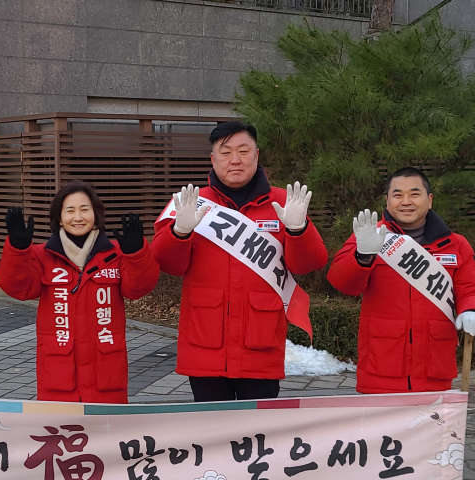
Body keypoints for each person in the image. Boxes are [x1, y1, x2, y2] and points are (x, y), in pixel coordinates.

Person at [151, 121, 328, 402]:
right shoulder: (190, 202)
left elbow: (309, 263)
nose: (235, 160)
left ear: (257, 155)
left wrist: (298, 230)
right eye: (226, 152)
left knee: (259, 436)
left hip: (261, 343)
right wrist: (179, 232)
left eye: (244, 151)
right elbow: (165, 263)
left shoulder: (283, 202)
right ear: (212, 159)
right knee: (212, 433)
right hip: (205, 343)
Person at [0, 180, 159, 403]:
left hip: (106, 374)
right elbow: (19, 289)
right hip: (58, 373)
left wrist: (136, 254)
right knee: (60, 434)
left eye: (85, 209)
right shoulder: (42, 254)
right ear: (59, 217)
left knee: (108, 434)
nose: (78, 217)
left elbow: (138, 288)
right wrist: (18, 250)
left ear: (96, 213)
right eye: (70, 210)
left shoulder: (116, 253)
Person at [327, 167, 475, 394]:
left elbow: (469, 288)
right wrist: (363, 255)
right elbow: (342, 283)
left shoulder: (456, 244)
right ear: (387, 201)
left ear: (430, 199)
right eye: (398, 195)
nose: (406, 201)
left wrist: (470, 309)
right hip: (381, 368)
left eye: (415, 194)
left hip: (434, 371)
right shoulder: (370, 236)